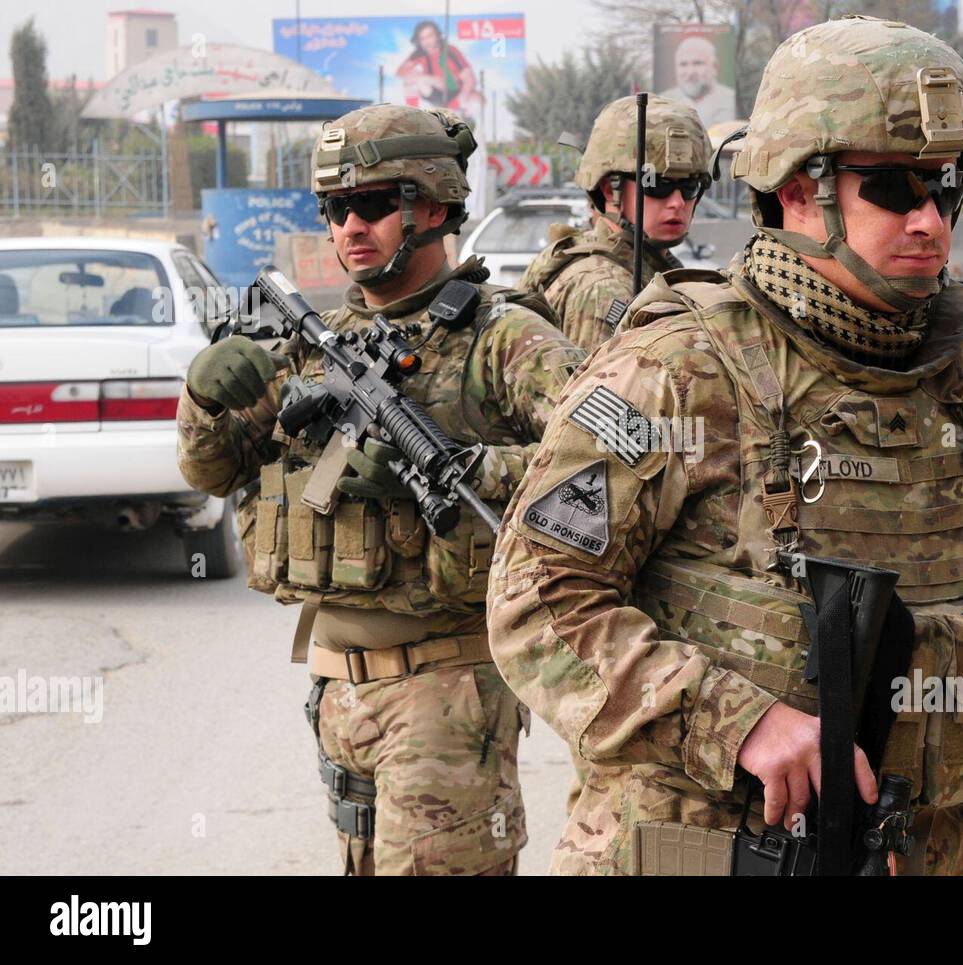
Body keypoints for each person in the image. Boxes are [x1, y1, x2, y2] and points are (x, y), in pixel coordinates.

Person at [485, 15, 963, 876]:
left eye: (947, 188)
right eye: (894, 188)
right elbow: (536, 596)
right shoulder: (683, 367)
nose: (929, 220)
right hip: (706, 850)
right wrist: (738, 720)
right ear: (801, 189)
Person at [176, 105, 586, 876]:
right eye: (335, 208)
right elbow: (214, 471)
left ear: (432, 205)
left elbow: (602, 472)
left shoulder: (504, 340)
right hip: (338, 694)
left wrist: (459, 466)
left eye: (372, 204)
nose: (350, 226)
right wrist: (201, 399)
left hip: (445, 695)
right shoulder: (313, 343)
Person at [520, 94, 712, 353]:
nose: (677, 202)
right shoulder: (605, 289)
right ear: (610, 190)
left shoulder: (638, 268)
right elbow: (600, 392)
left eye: (690, 186)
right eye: (657, 185)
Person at [397, 20, 482, 116]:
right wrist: (430, 79)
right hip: (435, 94)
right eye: (422, 38)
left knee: (477, 99)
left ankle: (460, 121)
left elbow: (470, 80)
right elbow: (400, 71)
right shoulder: (418, 55)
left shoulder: (451, 51)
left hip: (456, 94)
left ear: (437, 35)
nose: (426, 41)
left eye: (429, 36)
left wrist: (454, 104)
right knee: (410, 83)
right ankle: (413, 118)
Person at [659, 34, 737, 127]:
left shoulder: (731, 100)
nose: (690, 72)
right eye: (683, 64)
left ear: (715, 67)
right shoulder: (663, 101)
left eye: (698, 63)